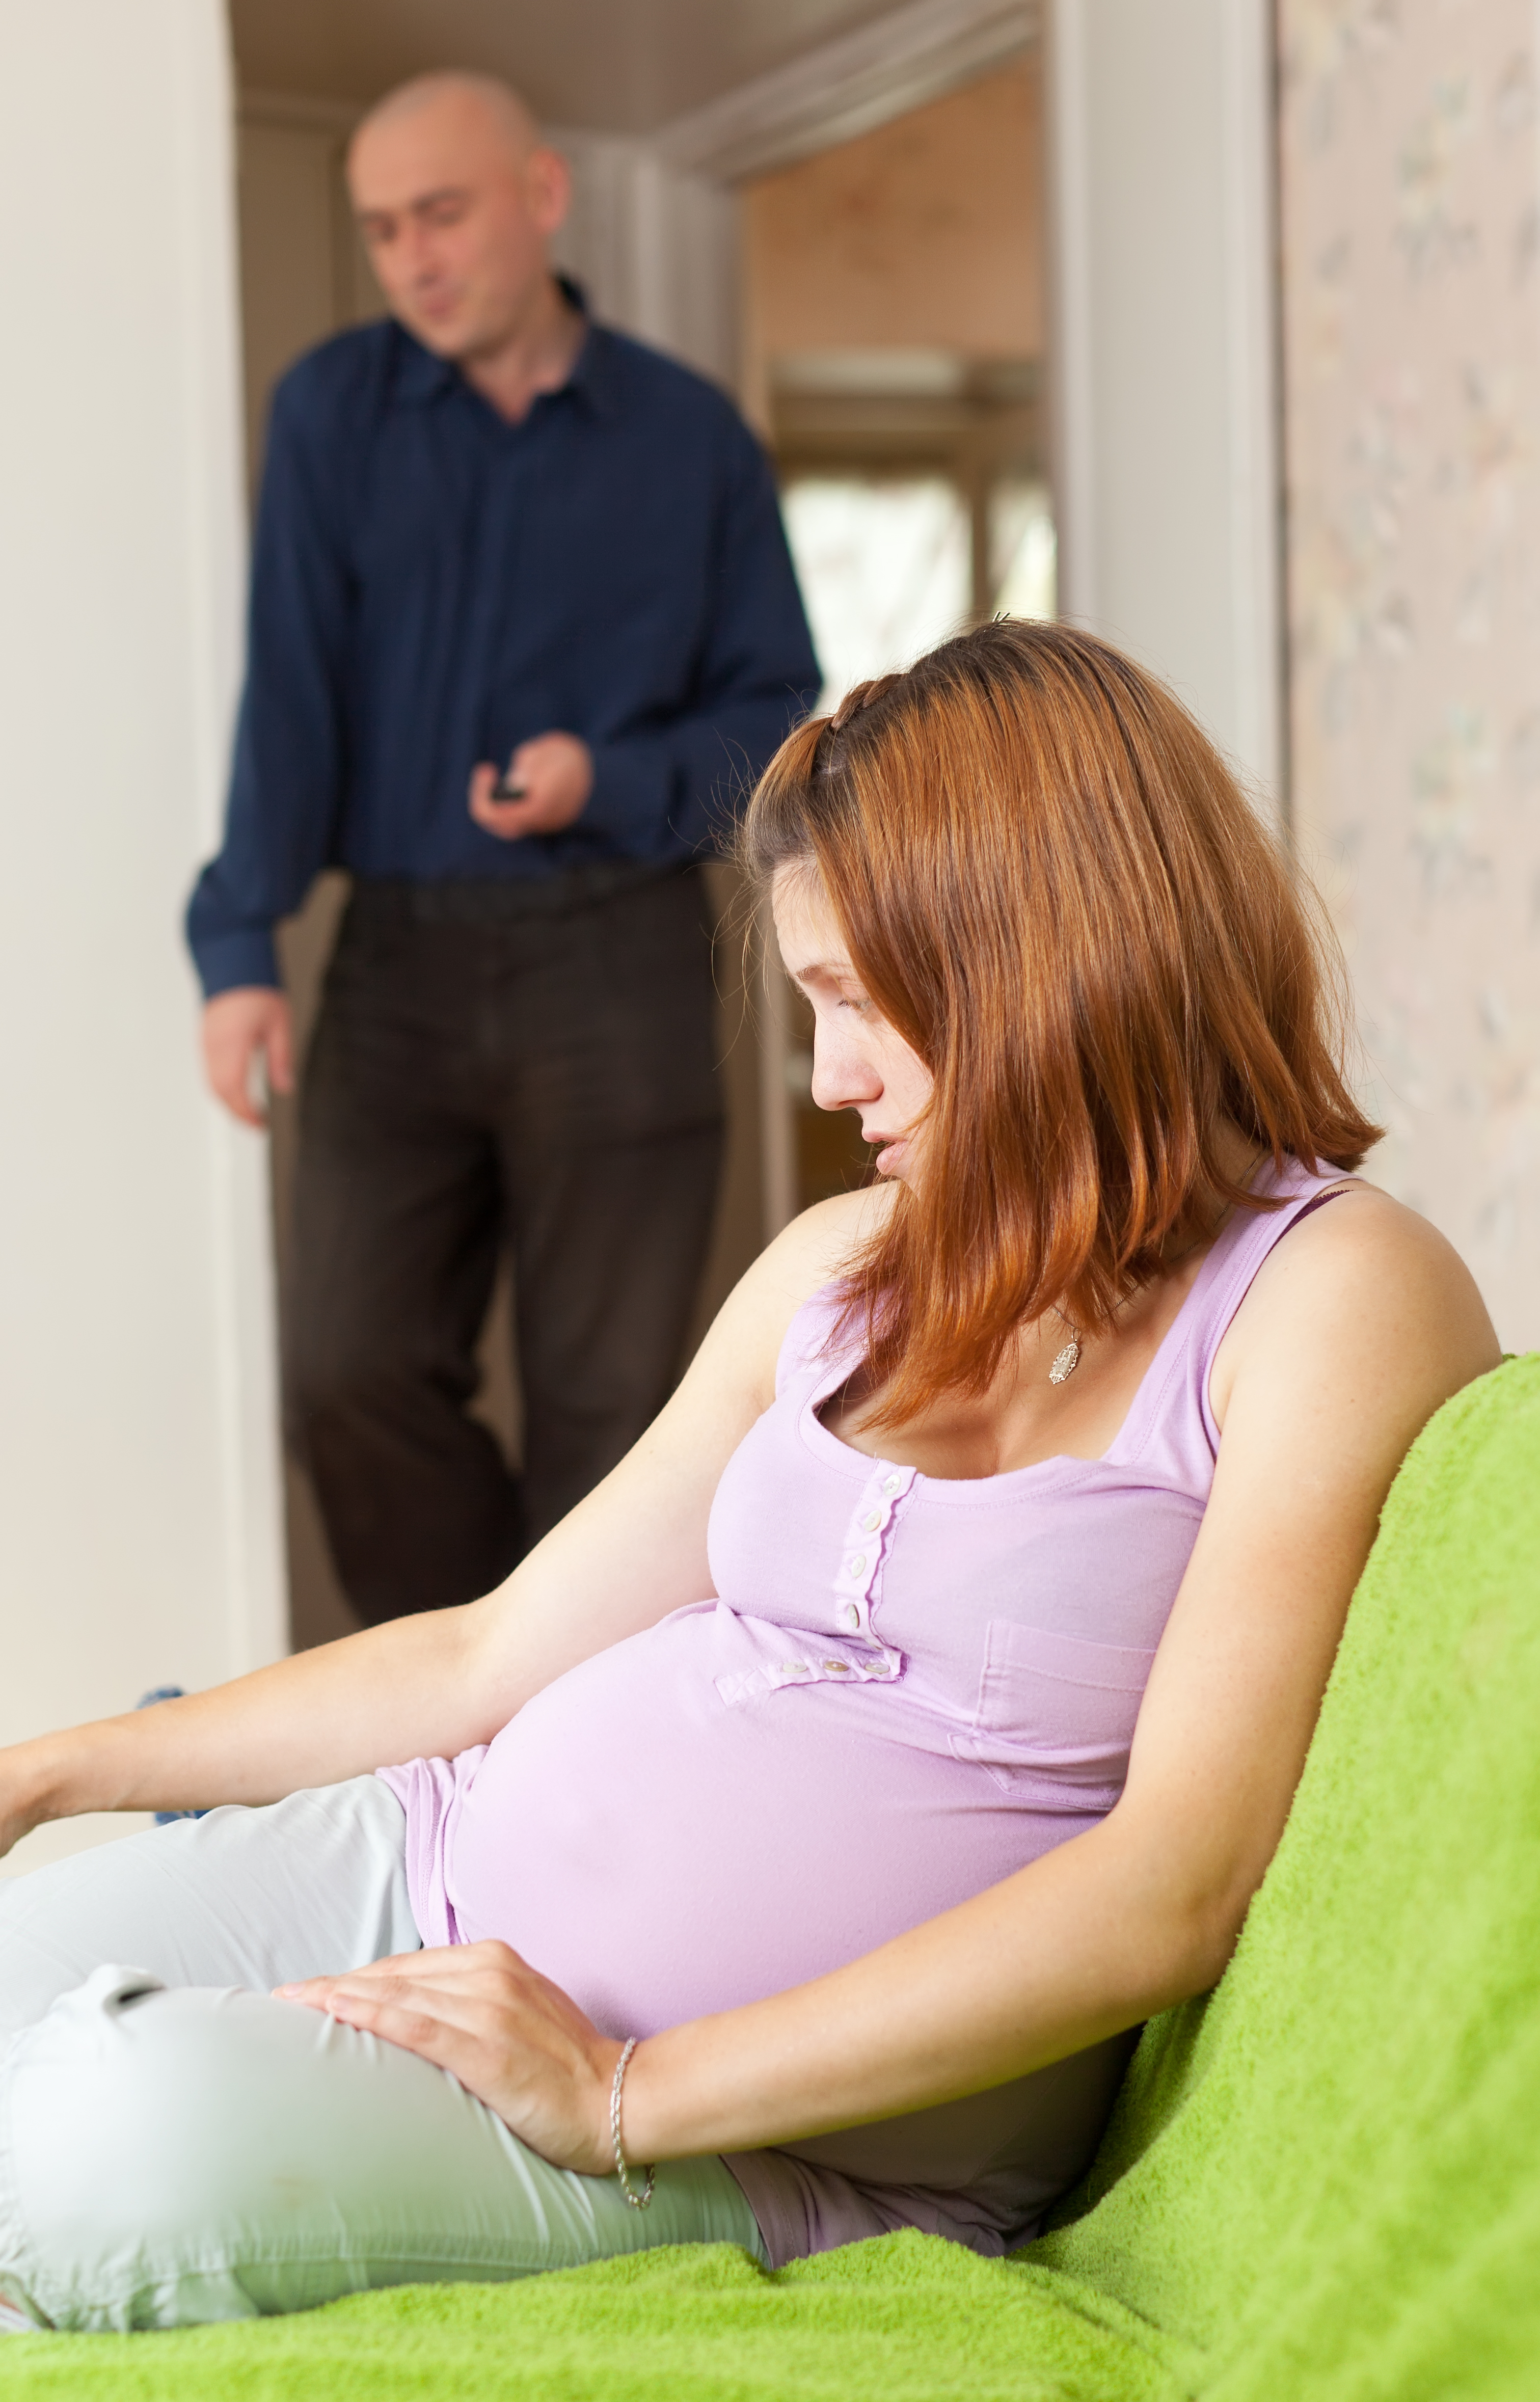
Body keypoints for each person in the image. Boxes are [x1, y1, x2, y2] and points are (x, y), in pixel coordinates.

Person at [0, 624, 1497, 2335]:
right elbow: (483, 1656)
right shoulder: (848, 1260)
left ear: (1040, 954)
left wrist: (628, 2088)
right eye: (812, 1003)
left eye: (860, 1001)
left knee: (96, 2149)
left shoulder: (1327, 1296)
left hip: (747, 2135)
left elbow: (1173, 1884)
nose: (828, 1078)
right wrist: (49, 1771)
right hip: (434, 1853)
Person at [188, 72, 819, 1624]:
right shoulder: (331, 414)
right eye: (382, 228)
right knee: (345, 1368)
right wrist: (240, 940)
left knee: (613, 1413)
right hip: (394, 961)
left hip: (622, 951)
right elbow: (290, 693)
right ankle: (468, 1695)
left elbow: (780, 722)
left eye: (443, 214)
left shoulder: (693, 440)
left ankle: (566, 1746)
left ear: (542, 196)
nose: (412, 257)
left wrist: (605, 776)